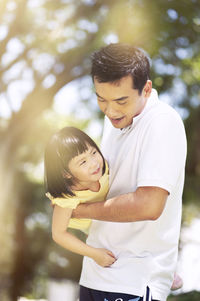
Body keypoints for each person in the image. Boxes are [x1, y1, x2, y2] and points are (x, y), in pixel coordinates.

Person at [72, 43, 187, 301]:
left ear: (146, 89)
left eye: (120, 100)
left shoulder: (163, 122)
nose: (110, 111)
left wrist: (78, 210)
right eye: (101, 99)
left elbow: (149, 206)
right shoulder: (113, 121)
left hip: (134, 281)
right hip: (94, 271)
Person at [44, 126, 116, 268]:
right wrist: (94, 254)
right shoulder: (67, 198)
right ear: (66, 173)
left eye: (94, 152)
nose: (94, 163)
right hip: (92, 228)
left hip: (110, 218)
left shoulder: (105, 168)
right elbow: (58, 234)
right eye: (83, 162)